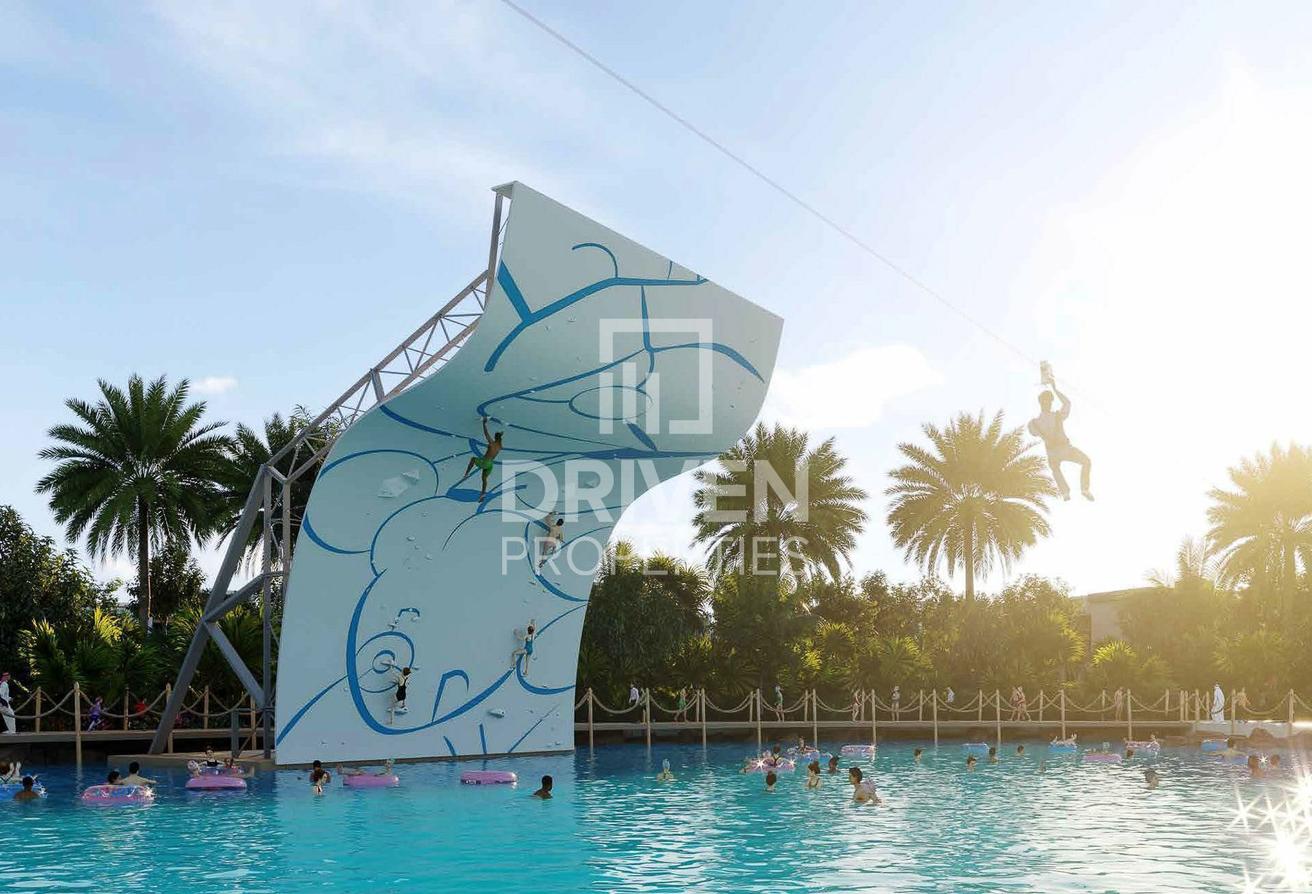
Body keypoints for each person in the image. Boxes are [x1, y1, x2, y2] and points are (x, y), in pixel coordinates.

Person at [1028, 373, 1093, 501]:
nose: (1048, 403)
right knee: (1086, 461)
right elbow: (1067, 403)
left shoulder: (1034, 423)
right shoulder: (1057, 416)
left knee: (1055, 468)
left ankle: (1065, 492)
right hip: (1065, 449)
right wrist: (1055, 388)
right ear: (1049, 403)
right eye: (1048, 401)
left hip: (1053, 453)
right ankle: (1084, 489)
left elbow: (1033, 433)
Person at [462, 417, 504, 502]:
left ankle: (466, 474)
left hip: (485, 462)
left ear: (495, 438)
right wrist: (500, 434)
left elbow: (486, 434)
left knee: (473, 459)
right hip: (490, 465)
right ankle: (483, 493)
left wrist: (484, 423)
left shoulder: (492, 443)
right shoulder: (500, 446)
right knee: (484, 479)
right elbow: (499, 438)